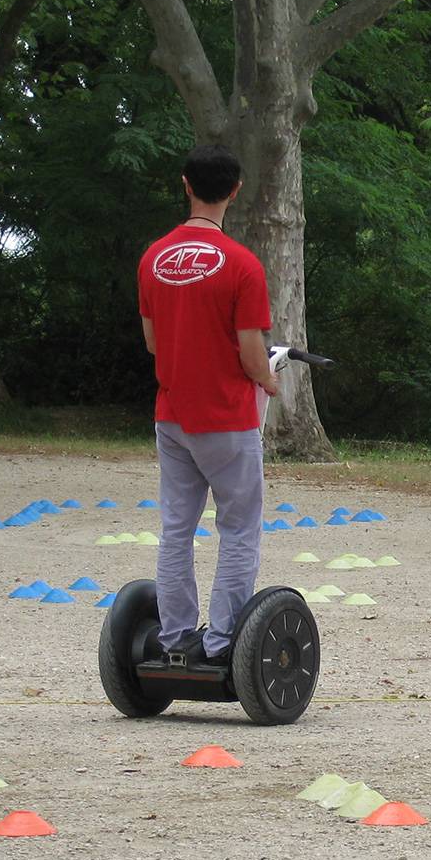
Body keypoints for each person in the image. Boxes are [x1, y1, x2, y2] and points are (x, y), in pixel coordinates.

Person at [136, 143, 279, 667]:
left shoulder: (153, 257)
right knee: (238, 526)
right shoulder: (243, 265)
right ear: (235, 190)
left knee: (177, 528)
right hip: (226, 417)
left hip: (172, 415)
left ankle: (174, 639)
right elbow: (249, 350)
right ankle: (222, 643)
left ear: (186, 185)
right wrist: (268, 379)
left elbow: (153, 342)